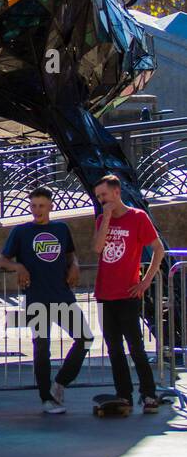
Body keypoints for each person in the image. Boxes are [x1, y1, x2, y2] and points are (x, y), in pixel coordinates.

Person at [0, 186, 94, 415]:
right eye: (33, 206)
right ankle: (45, 398)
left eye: (41, 206)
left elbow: (70, 254)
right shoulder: (21, 231)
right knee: (42, 347)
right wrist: (18, 266)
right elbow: (1, 260)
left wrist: (76, 265)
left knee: (85, 338)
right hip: (37, 298)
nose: (37, 210)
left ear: (51, 206)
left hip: (62, 295)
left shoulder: (61, 228)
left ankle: (59, 383)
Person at [92, 174, 165, 413]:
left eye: (104, 195)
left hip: (128, 294)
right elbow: (97, 248)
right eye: (98, 197)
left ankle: (149, 394)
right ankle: (124, 394)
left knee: (136, 346)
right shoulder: (103, 218)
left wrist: (145, 282)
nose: (101, 200)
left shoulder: (138, 217)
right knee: (114, 348)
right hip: (105, 293)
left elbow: (158, 249)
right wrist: (107, 219)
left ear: (116, 192)